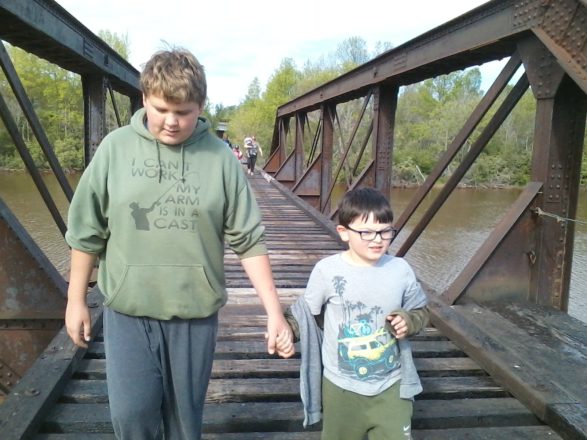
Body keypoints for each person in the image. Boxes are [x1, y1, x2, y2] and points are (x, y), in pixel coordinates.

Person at [64, 47, 294, 440]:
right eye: (161, 109)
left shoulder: (221, 158)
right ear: (144, 99)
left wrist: (274, 312)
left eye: (184, 112)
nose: (171, 122)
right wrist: (75, 300)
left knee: (184, 426)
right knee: (130, 417)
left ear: (201, 106)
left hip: (194, 317)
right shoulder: (115, 149)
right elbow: (86, 230)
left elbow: (248, 239)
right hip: (128, 312)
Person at [282, 187, 429, 440]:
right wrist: (286, 332)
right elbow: (305, 314)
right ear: (344, 233)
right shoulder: (326, 271)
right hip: (340, 389)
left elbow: (420, 311)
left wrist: (409, 321)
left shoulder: (401, 269)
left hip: (392, 385)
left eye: (385, 231)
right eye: (366, 232)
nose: (378, 239)